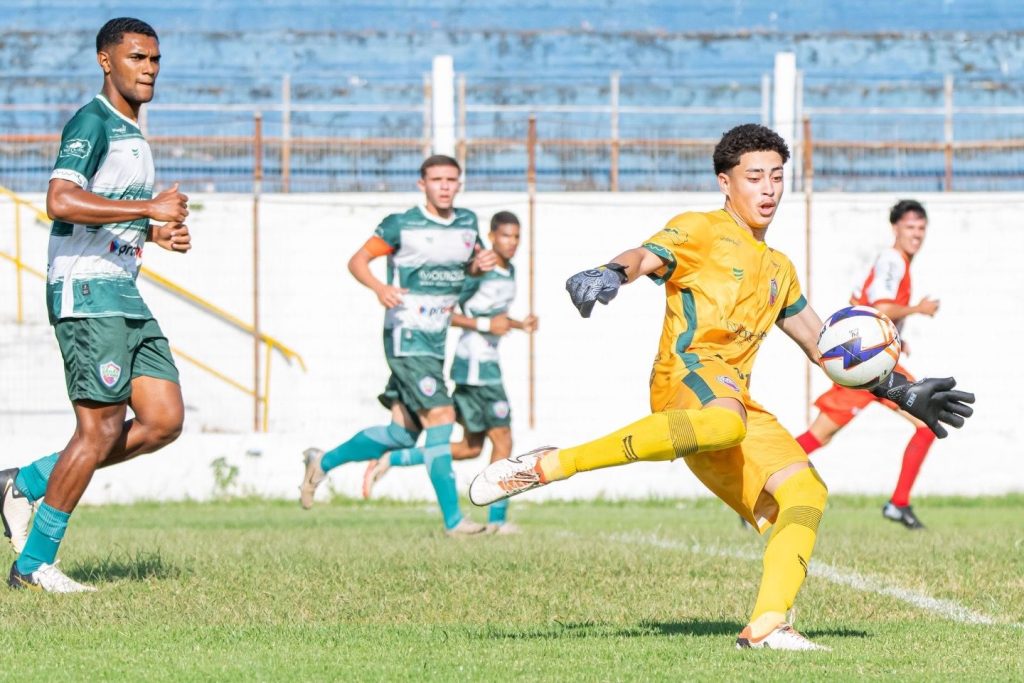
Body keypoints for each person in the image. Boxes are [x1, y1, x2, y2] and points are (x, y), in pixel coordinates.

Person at [467, 124, 974, 650]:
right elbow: (644, 256)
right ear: (725, 182)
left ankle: (769, 625)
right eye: (754, 176)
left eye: (777, 176)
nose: (769, 189)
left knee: (803, 493)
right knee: (727, 417)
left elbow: (824, 346)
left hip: (730, 404)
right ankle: (551, 464)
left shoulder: (780, 268)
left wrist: (897, 390)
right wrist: (611, 273)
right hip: (687, 377)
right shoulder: (701, 229)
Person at [0, 17, 191, 592]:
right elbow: (60, 200)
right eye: (137, 58)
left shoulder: (134, 131)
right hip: (86, 293)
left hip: (123, 290)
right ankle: (33, 565)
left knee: (163, 420)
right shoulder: (93, 121)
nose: (149, 68)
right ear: (107, 61)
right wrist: (150, 211)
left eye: (155, 59)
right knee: (100, 429)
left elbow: (111, 210)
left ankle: (25, 482)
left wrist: (153, 232)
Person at [299, 155, 494, 535]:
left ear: (459, 183)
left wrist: (478, 266)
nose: (444, 186)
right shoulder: (401, 225)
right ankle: (454, 521)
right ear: (422, 184)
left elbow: (466, 276)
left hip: (435, 340)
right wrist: (380, 288)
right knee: (442, 417)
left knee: (401, 434)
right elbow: (358, 261)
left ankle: (321, 462)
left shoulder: (468, 224)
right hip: (406, 336)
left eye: (451, 179)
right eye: (436, 179)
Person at [361, 211, 538, 534]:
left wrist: (517, 324)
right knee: (503, 439)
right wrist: (488, 325)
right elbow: (449, 311)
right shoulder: (478, 273)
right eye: (505, 236)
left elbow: (492, 315)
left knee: (471, 448)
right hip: (473, 367)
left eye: (516, 237)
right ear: (492, 235)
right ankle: (498, 520)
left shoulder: (508, 270)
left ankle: (393, 459)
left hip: (487, 364)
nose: (511, 243)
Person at [794, 200, 939, 529]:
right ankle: (898, 504)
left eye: (920, 228)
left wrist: (894, 339)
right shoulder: (893, 261)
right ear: (895, 229)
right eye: (910, 228)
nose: (916, 234)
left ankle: (899, 503)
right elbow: (882, 304)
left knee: (820, 436)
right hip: (871, 370)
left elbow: (860, 304)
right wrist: (918, 309)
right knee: (927, 420)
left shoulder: (895, 262)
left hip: (870, 365)